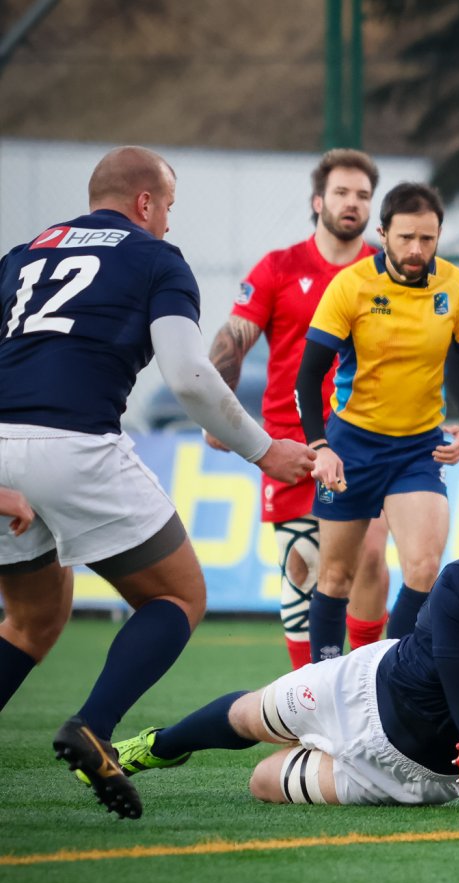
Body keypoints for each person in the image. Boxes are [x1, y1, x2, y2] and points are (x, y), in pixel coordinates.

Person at [0, 146, 315, 819]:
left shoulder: (22, 255)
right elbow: (189, 376)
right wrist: (265, 452)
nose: (170, 222)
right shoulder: (154, 258)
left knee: (31, 621)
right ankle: (93, 725)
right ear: (146, 202)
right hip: (78, 444)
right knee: (177, 594)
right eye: (169, 206)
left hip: (1, 448)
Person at [104, 510, 459, 806]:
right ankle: (156, 747)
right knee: (248, 715)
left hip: (412, 771)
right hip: (362, 684)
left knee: (261, 782)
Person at [205, 148, 391, 669]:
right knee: (305, 566)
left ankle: (371, 687)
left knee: (371, 561)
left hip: (369, 439)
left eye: (362, 195)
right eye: (341, 193)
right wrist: (219, 411)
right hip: (293, 441)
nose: (352, 203)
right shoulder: (279, 267)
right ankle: (307, 699)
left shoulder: (385, 270)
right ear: (318, 201)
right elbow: (233, 339)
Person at [295, 182, 459, 665]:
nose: (416, 250)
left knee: (424, 568)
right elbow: (309, 374)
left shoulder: (454, 286)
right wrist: (320, 446)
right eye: (406, 238)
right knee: (336, 576)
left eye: (427, 239)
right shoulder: (351, 285)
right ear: (382, 233)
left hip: (418, 450)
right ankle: (323, 681)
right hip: (351, 445)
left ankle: (386, 676)